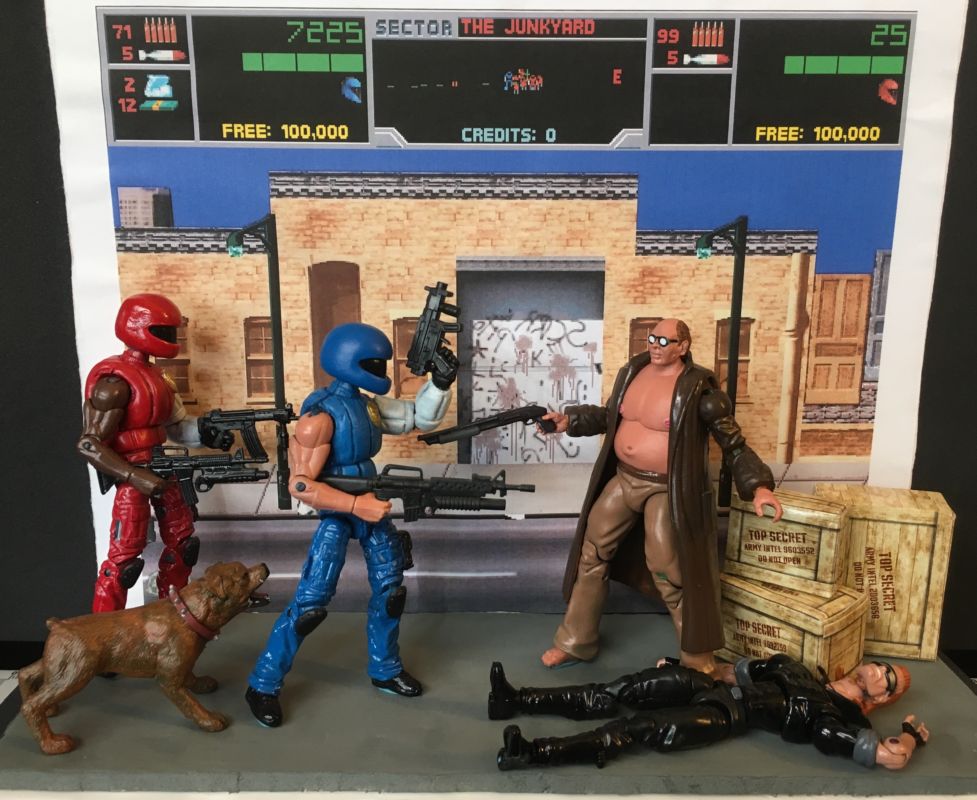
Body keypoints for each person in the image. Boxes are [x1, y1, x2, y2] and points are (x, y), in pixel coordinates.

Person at [539, 318, 782, 676]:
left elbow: (732, 442)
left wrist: (758, 485)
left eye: (665, 341)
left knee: (669, 572)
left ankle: (699, 662)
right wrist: (569, 421)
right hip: (624, 478)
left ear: (683, 346)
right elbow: (610, 417)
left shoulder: (699, 390)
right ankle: (576, 640)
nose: (655, 345)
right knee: (592, 554)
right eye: (652, 338)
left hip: (666, 489)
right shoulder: (634, 372)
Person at [245, 322, 457, 727]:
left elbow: (418, 417)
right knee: (310, 604)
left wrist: (441, 382)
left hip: (369, 505)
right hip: (337, 514)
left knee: (391, 592)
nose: (381, 369)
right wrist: (356, 504)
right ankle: (263, 684)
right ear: (350, 361)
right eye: (373, 363)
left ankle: (385, 669)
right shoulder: (319, 417)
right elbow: (301, 484)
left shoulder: (368, 406)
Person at [489, 655, 928, 770]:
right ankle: (516, 699)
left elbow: (891, 756)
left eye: (888, 679)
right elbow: (734, 671)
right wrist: (683, 668)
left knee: (635, 728)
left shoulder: (834, 717)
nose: (879, 671)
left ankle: (533, 753)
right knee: (620, 689)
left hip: (724, 718)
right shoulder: (797, 669)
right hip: (711, 687)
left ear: (881, 698)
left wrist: (911, 736)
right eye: (883, 665)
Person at [78, 293, 209, 612]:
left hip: (162, 467)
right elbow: (88, 444)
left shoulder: (159, 378)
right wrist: (134, 476)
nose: (170, 337)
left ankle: (171, 618)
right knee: (123, 564)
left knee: (183, 546)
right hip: (132, 476)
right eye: (163, 330)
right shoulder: (113, 383)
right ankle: (101, 633)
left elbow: (178, 429)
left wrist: (210, 431)